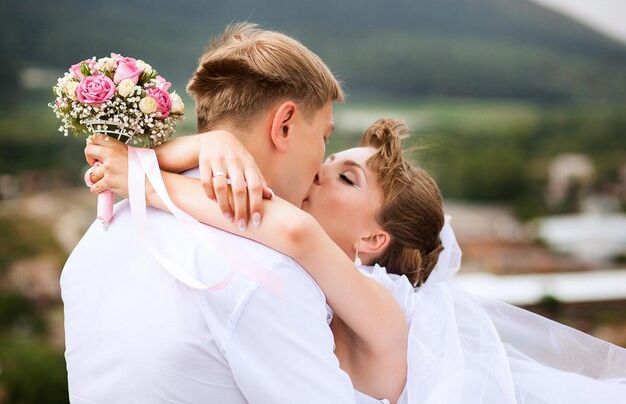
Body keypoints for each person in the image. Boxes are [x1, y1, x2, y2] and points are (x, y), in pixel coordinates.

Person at [88, 118, 626, 403]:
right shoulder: (316, 291)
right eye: (333, 158)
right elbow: (233, 178)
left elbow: (292, 230)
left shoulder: (393, 317)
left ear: (373, 240)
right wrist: (207, 142)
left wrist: (143, 180)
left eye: (348, 178)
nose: (320, 170)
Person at [62, 22, 357, 403]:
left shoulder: (99, 237)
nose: (321, 166)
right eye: (324, 137)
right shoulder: (265, 272)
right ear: (283, 126)